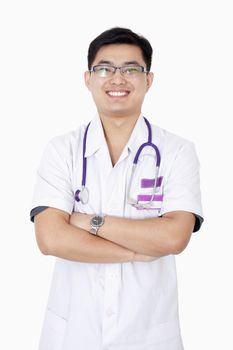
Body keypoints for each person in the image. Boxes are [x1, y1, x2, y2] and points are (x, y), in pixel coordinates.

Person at [30, 27, 203, 350]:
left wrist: (84, 221)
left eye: (131, 69)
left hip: (149, 334)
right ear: (88, 79)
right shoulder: (61, 150)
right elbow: (50, 238)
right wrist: (137, 251)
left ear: (148, 80)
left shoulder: (177, 151)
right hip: (72, 334)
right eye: (105, 68)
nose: (117, 78)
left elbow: (174, 237)